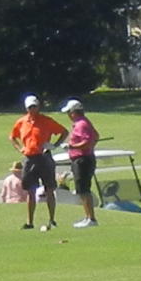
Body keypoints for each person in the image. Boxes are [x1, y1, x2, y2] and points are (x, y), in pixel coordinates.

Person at [11, 94, 68, 232]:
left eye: (35, 106)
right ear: (26, 108)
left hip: (44, 157)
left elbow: (64, 132)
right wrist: (21, 148)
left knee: (49, 189)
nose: (33, 109)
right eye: (30, 107)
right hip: (29, 158)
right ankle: (29, 222)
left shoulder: (46, 121)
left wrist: (54, 145)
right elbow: (12, 137)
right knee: (30, 191)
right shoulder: (21, 122)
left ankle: (52, 219)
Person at [62, 98, 102, 227]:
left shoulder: (81, 124)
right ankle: (88, 217)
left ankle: (91, 219)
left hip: (82, 160)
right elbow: (96, 136)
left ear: (74, 112)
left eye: (69, 112)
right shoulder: (84, 122)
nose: (68, 115)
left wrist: (72, 147)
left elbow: (87, 141)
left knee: (84, 190)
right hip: (83, 158)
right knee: (82, 189)